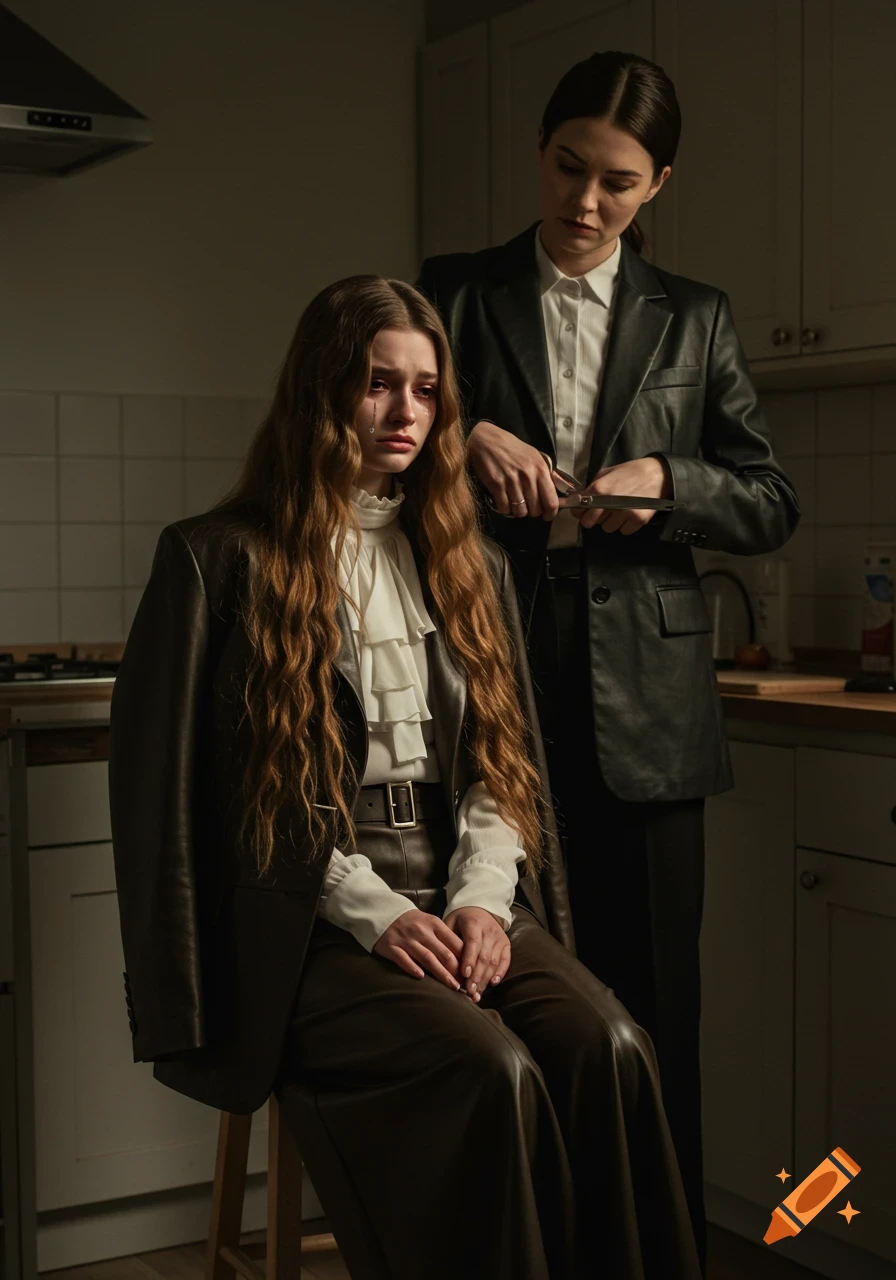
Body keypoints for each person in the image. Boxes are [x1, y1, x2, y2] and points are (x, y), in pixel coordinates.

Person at [108, 275, 702, 1280]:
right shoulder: (218, 560)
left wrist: (479, 901)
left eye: (426, 391)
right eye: (380, 384)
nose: (406, 414)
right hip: (312, 919)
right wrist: (377, 913)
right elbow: (218, 796)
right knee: (492, 1067)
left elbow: (496, 767)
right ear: (322, 389)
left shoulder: (464, 559)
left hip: (463, 890)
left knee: (611, 1047)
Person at [416, 50, 800, 1273]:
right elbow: (369, 436)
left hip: (650, 709)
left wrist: (668, 481)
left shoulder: (696, 317)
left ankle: (658, 1254)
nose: (585, 203)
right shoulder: (453, 295)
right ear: (540, 150)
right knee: (499, 1011)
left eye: (618, 184)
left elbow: (767, 497)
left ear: (658, 186)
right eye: (568, 167)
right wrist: (462, 434)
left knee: (652, 1020)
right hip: (490, 683)